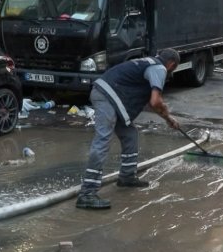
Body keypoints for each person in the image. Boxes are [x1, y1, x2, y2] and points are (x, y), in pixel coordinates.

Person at [77, 49, 181, 210]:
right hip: (106, 96)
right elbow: (155, 101)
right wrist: (169, 117)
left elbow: (151, 103)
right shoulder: (159, 69)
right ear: (171, 64)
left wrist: (168, 119)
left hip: (109, 95)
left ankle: (127, 177)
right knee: (103, 139)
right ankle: (87, 194)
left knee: (130, 134)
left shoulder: (148, 62)